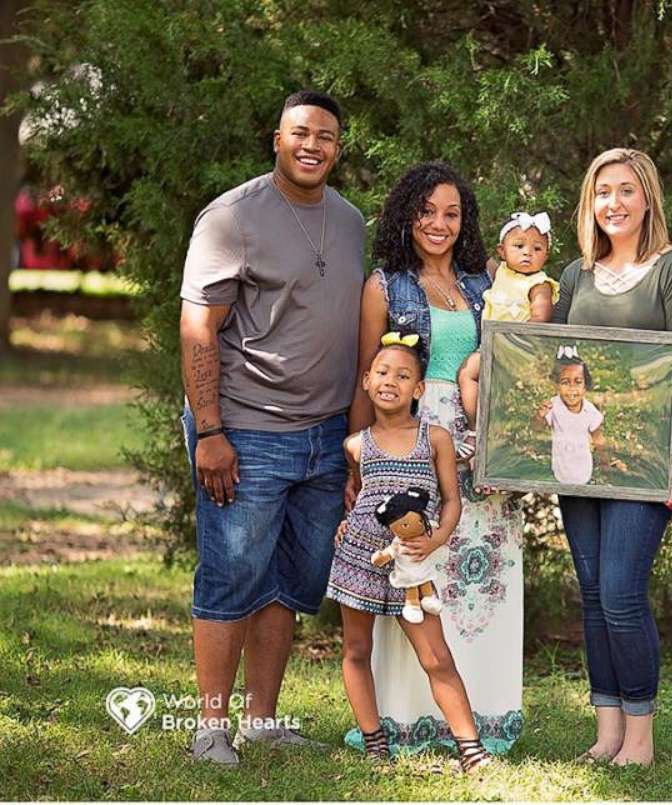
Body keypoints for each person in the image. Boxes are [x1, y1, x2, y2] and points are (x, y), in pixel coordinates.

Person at [178, 90, 365, 765]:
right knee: (231, 576)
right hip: (246, 431)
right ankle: (209, 729)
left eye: (327, 136)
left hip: (324, 434)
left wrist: (353, 438)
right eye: (300, 133)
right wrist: (210, 431)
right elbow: (199, 325)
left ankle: (261, 720)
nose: (313, 145)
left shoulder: (349, 222)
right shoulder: (233, 217)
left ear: (338, 148)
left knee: (289, 581)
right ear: (276, 138)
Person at [349, 161, 524, 756]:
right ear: (406, 214)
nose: (439, 224)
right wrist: (359, 467)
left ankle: (486, 718)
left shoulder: (486, 284)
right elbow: (364, 379)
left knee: (483, 579)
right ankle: (405, 720)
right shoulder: (385, 285)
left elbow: (520, 359)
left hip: (479, 446)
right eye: (427, 212)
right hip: (408, 448)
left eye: (452, 213)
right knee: (414, 569)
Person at [552, 147, 672, 766]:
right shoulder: (574, 277)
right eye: (602, 192)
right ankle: (607, 729)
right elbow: (549, 366)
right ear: (590, 204)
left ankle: (639, 738)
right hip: (576, 459)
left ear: (648, 200)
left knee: (620, 592)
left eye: (626, 191)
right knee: (591, 592)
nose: (614, 203)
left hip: (646, 460)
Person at [326, 337, 492, 773]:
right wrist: (347, 525)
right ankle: (374, 742)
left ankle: (471, 749)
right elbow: (360, 498)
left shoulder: (434, 438)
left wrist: (436, 540)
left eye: (403, 376)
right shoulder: (355, 445)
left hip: (411, 566)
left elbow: (452, 501)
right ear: (366, 381)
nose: (390, 382)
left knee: (436, 657)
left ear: (418, 389)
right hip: (359, 558)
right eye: (382, 373)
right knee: (357, 649)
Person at [457, 211, 559, 458]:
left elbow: (540, 315)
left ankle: (516, 439)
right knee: (468, 373)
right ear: (502, 251)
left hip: (520, 347)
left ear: (545, 256)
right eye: (519, 246)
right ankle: (475, 427)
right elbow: (473, 256)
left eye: (537, 248)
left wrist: (521, 341)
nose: (527, 253)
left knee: (516, 394)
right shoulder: (500, 271)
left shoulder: (540, 283)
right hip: (492, 345)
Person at [535, 345, 603, 485]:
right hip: (559, 470)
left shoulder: (590, 412)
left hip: (583, 470)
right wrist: (540, 416)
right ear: (556, 385)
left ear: (585, 386)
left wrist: (604, 462)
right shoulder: (553, 406)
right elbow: (537, 429)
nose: (572, 388)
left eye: (578, 382)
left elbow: (598, 438)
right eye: (565, 382)